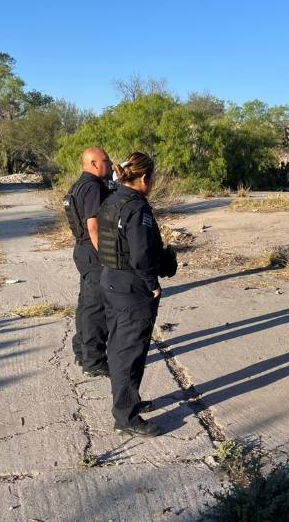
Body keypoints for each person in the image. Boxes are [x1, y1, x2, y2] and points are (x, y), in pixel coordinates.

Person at [96, 152, 176, 437]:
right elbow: (141, 255)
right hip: (131, 288)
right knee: (129, 351)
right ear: (144, 177)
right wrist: (152, 283)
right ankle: (126, 418)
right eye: (152, 178)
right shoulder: (135, 207)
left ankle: (129, 402)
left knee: (121, 348)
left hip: (111, 281)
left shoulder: (112, 199)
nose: (152, 182)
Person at [64, 147, 113, 377]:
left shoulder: (79, 185)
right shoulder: (93, 187)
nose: (111, 164)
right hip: (93, 253)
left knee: (86, 304)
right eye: (106, 160)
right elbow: (93, 225)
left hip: (82, 250)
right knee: (96, 309)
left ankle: (81, 351)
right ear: (93, 163)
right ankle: (93, 361)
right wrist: (106, 256)